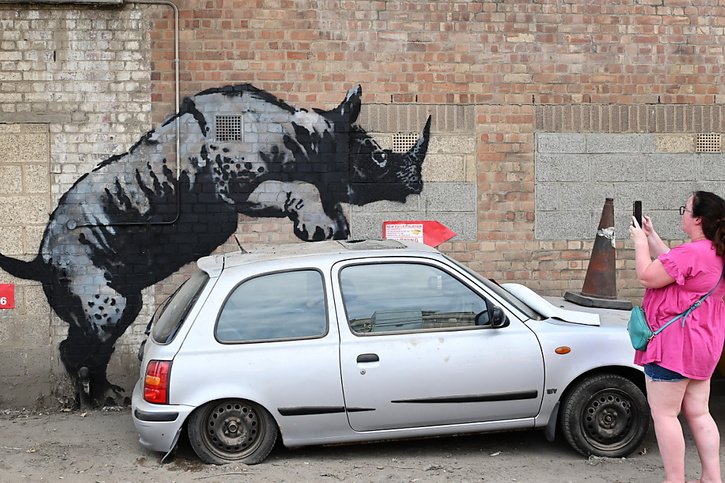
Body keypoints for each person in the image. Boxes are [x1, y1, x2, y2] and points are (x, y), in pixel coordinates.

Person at [629, 191, 725, 483]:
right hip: (704, 346)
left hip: (673, 347)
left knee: (666, 415)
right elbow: (673, 263)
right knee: (698, 413)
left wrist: (639, 243)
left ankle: (675, 480)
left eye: (685, 208)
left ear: (697, 219)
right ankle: (712, 478)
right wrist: (653, 237)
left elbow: (648, 275)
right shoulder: (714, 251)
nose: (681, 212)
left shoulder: (692, 253)